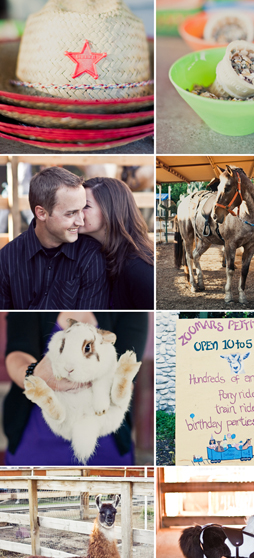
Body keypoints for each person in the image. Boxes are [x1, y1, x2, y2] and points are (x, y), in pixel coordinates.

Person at [4, 311, 149, 466]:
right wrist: (36, 374)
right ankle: (52, 405)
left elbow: (122, 352)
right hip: (36, 436)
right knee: (57, 413)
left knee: (113, 391)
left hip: (103, 435)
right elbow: (19, 349)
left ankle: (119, 386)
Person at [0, 167, 109, 309]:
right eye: (71, 213)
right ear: (41, 213)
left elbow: (86, 324)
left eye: (82, 210)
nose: (81, 222)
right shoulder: (7, 257)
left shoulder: (91, 255)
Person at [80, 177, 154, 309]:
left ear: (110, 209)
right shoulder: (90, 253)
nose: (76, 212)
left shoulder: (140, 270)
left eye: (85, 206)